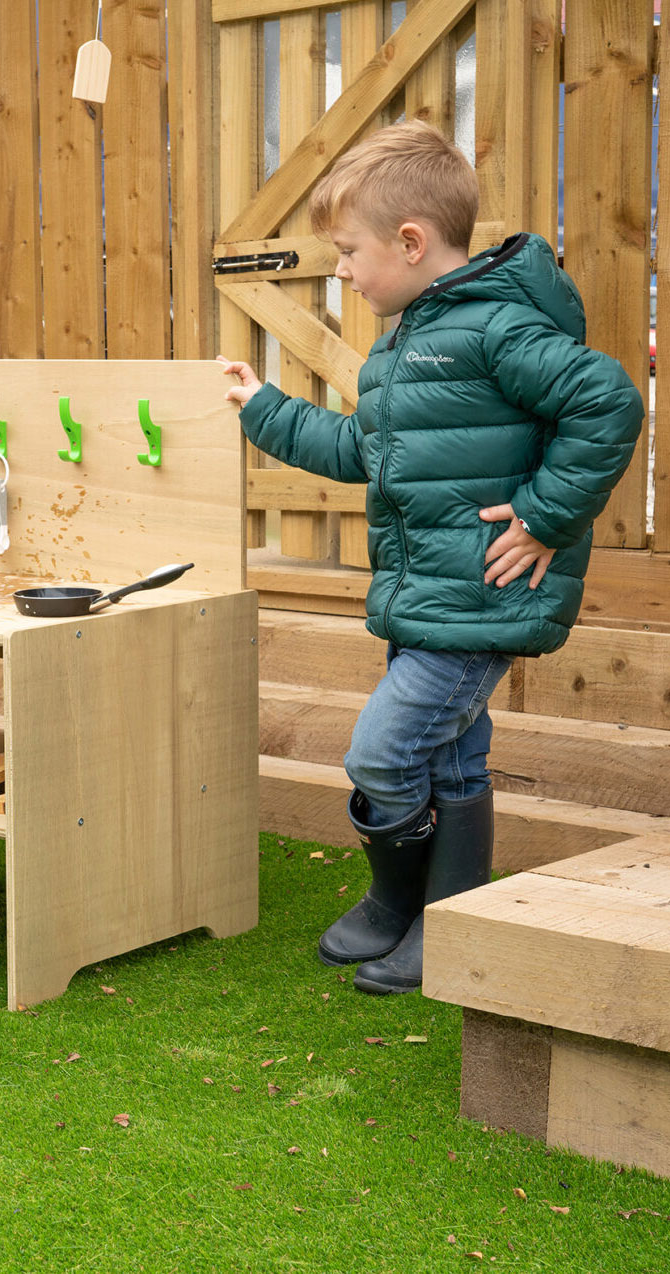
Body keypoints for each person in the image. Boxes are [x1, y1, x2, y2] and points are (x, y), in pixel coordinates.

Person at [220, 119, 643, 994]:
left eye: (346, 249)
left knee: (381, 754)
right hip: (429, 598)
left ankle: (396, 897)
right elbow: (361, 452)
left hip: (478, 598)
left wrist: (543, 517)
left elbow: (607, 402)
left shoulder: (489, 331)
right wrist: (263, 407)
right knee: (452, 759)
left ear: (410, 243)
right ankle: (440, 922)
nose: (338, 267)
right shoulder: (402, 347)